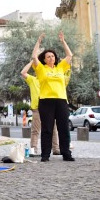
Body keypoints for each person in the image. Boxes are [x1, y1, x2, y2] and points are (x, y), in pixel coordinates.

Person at [31, 32, 74, 162]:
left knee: (64, 128)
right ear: (44, 59)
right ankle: (45, 155)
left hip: (61, 101)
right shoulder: (41, 69)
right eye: (48, 56)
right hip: (46, 101)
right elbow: (34, 56)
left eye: (52, 56)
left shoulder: (60, 67)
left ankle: (66, 153)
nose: (51, 58)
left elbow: (70, 55)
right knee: (47, 129)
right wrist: (38, 41)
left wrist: (63, 41)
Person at [21, 61, 60, 156]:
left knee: (53, 129)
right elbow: (23, 72)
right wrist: (32, 60)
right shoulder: (32, 80)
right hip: (37, 108)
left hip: (49, 107)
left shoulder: (48, 79)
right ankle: (33, 150)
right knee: (35, 130)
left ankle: (56, 149)